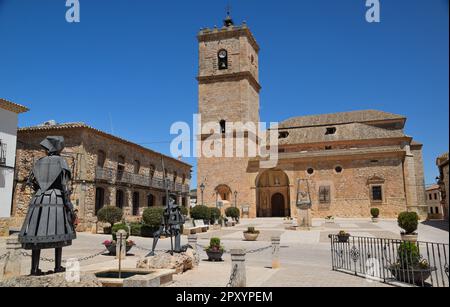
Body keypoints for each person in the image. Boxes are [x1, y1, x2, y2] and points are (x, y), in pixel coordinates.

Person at [18, 136, 77, 275]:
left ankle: (34, 269)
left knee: (35, 232)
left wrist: (40, 191)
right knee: (59, 232)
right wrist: (70, 207)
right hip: (55, 199)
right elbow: (64, 186)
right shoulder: (61, 161)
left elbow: (31, 182)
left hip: (38, 199)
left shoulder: (39, 162)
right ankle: (57, 266)